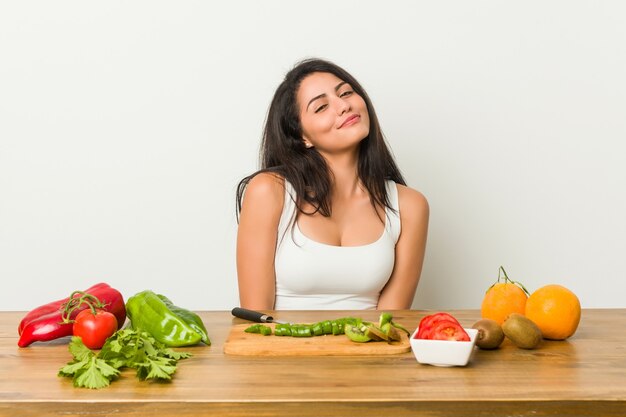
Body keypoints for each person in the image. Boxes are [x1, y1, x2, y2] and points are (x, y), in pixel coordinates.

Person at [236, 58, 429, 310]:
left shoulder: (410, 206)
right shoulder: (269, 192)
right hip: (280, 347)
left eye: (346, 92)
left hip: (369, 349)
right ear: (302, 136)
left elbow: (389, 324)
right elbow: (255, 319)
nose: (343, 106)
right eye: (321, 107)